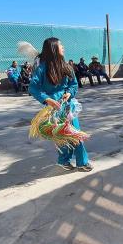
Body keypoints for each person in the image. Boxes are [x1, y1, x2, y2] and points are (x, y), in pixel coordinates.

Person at [29, 38, 93, 172]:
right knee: (61, 135)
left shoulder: (66, 66)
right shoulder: (41, 69)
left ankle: (82, 161)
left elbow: (73, 84)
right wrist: (47, 99)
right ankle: (64, 160)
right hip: (53, 109)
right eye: (60, 45)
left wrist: (69, 93)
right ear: (53, 49)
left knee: (75, 133)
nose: (63, 47)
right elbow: (33, 88)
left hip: (68, 106)